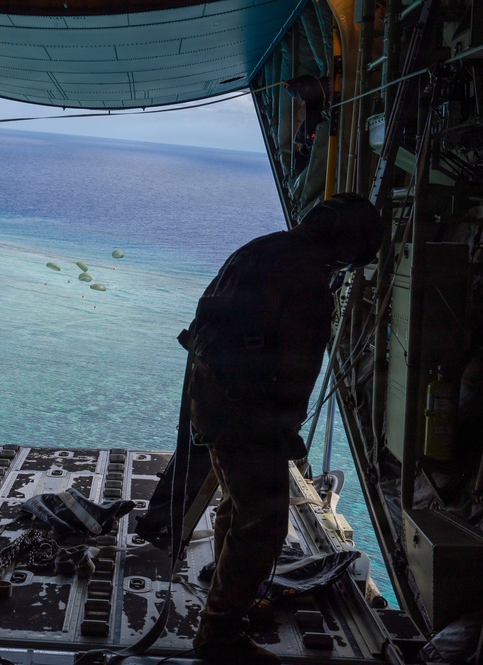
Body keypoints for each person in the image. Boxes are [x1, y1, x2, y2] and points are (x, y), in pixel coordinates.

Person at [185, 193, 383, 664]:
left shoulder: (263, 249)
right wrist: (281, 427)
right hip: (247, 413)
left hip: (217, 401)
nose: (343, 271)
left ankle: (228, 601)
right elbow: (294, 365)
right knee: (264, 525)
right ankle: (219, 635)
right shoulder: (305, 278)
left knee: (240, 509)